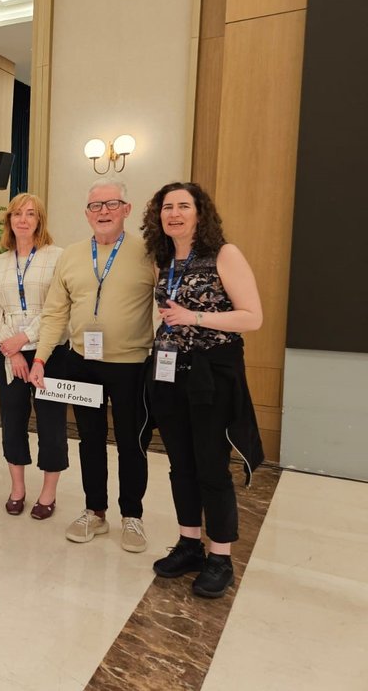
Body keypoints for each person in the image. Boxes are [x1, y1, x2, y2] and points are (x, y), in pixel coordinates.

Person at [141, 181, 263, 598]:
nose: (174, 214)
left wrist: (194, 317)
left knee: (211, 464)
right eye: (167, 207)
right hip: (170, 372)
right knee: (180, 463)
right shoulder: (162, 259)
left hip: (211, 374)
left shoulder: (224, 254)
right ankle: (189, 543)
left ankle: (220, 556)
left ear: (199, 213)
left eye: (183, 206)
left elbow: (252, 317)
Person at [29, 179, 154, 552]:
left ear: (126, 209)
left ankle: (132, 516)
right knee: (90, 440)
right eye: (95, 206)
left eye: (111, 204)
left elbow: (169, 304)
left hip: (131, 365)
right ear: (86, 214)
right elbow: (55, 313)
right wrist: (40, 357)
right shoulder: (71, 255)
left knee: (132, 442)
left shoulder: (148, 253)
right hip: (83, 363)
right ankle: (95, 511)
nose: (103, 212)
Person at [0, 193, 70, 518]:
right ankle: (18, 488)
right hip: (9, 353)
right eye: (17, 213)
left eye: (30, 214)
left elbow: (57, 307)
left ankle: (48, 493)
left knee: (51, 423)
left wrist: (25, 338)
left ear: (40, 220)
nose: (23, 219)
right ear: (9, 220)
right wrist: (12, 349)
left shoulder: (57, 257)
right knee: (12, 420)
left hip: (50, 352)